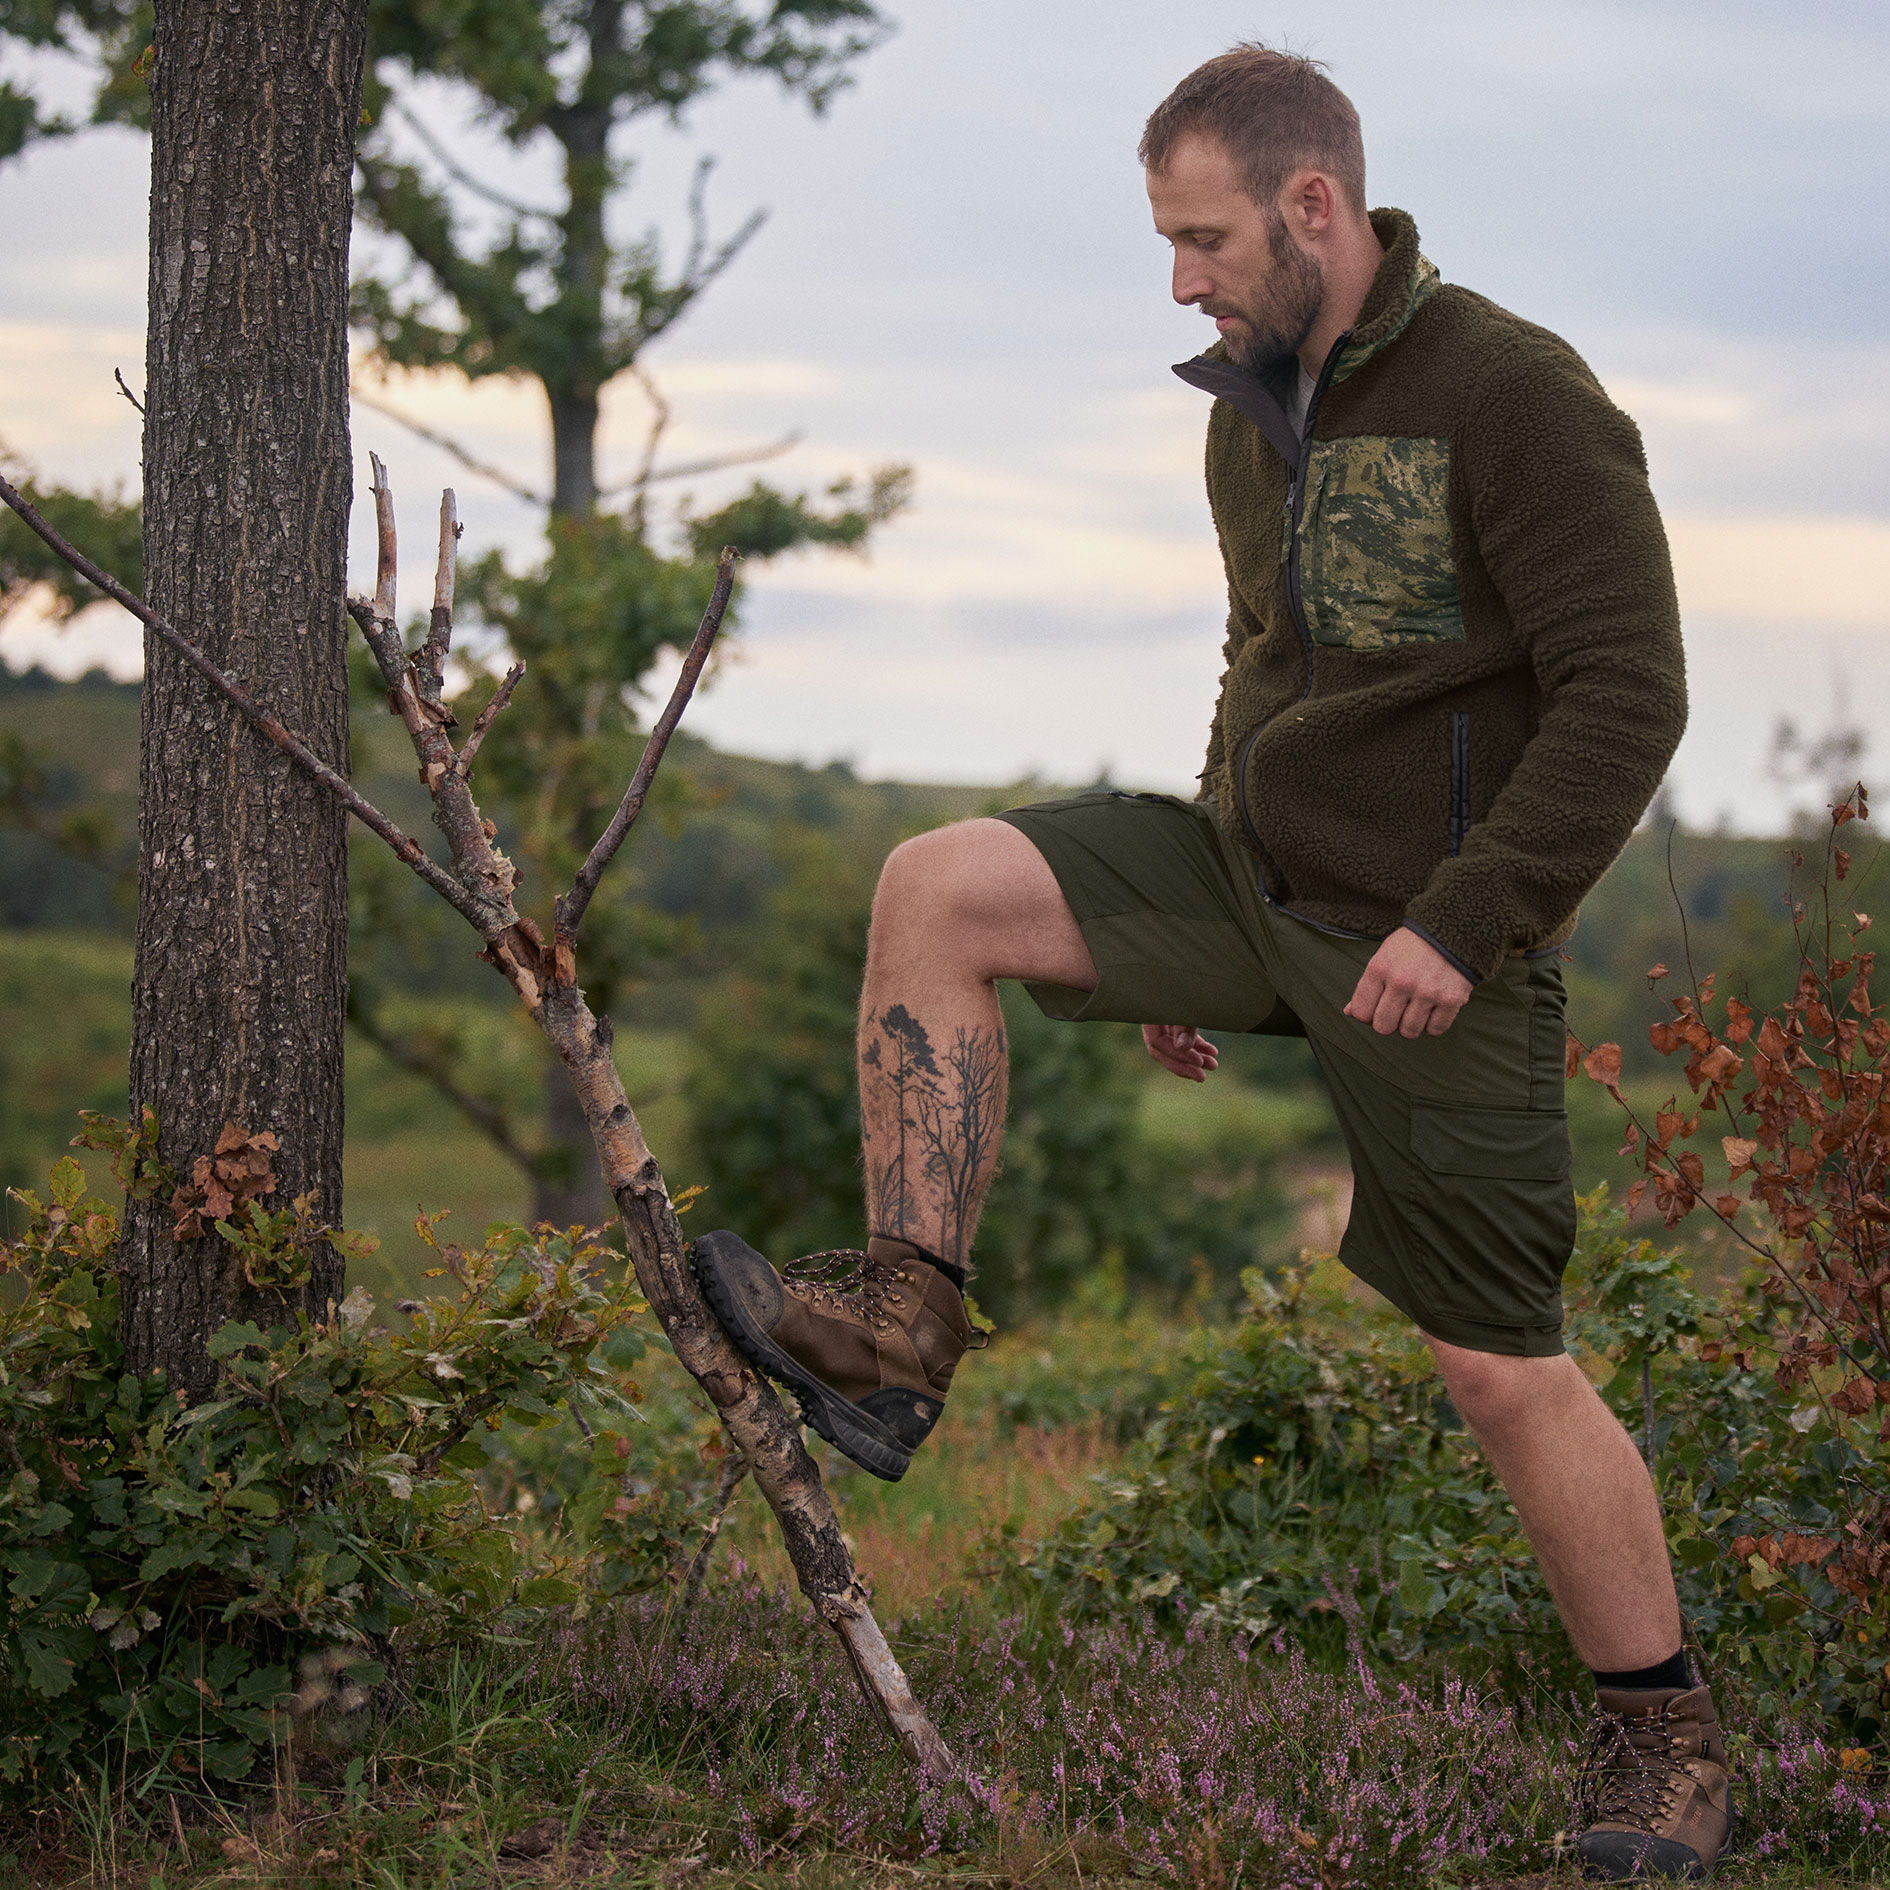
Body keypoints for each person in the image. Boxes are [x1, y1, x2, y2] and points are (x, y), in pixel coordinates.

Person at [694, 42, 1726, 1883]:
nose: (1179, 279)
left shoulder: (1515, 394)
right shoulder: (1248, 402)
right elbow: (1264, 670)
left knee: (1502, 1370)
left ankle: (1660, 1736)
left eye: (1201, 238)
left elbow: (1627, 694)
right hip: (1252, 880)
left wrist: (1463, 918)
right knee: (938, 885)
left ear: (1310, 205)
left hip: (1437, 943)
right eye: (1170, 244)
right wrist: (1193, 896)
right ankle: (901, 1322)